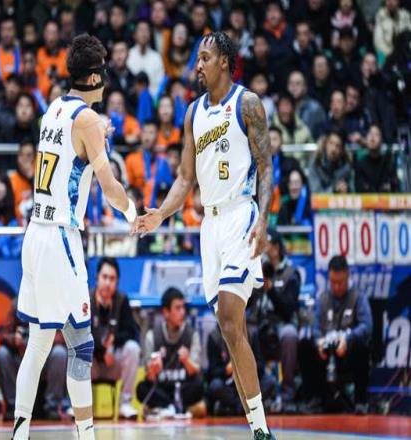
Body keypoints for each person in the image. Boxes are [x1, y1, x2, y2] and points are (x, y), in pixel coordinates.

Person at [137, 32, 276, 439]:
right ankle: (258, 427)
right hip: (209, 227)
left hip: (240, 215)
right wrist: (160, 214)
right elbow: (185, 178)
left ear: (224, 62)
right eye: (197, 58)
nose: (197, 65)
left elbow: (265, 167)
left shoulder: (247, 104)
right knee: (232, 333)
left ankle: (262, 430)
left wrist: (264, 220)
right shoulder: (193, 113)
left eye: (205, 57)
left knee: (231, 319)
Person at [13, 34, 138, 440]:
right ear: (93, 77)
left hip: (35, 233)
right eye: (103, 72)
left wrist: (99, 133)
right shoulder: (88, 121)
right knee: (81, 345)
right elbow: (110, 186)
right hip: (60, 239)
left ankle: (19, 433)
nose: (106, 80)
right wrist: (133, 212)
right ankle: (87, 435)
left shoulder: (54, 108)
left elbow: (75, 150)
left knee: (37, 345)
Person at [299, 255, 373, 414]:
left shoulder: (358, 297)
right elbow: (315, 327)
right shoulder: (323, 299)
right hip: (326, 352)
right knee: (305, 345)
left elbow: (366, 326)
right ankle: (314, 399)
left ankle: (361, 401)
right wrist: (319, 342)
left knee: (362, 347)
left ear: (348, 276)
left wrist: (348, 339)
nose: (337, 287)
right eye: (333, 282)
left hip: (347, 352)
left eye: (341, 282)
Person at [248, 231, 301, 411]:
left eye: (265, 244)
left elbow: (288, 310)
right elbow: (249, 304)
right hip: (261, 322)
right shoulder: (258, 269)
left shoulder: (291, 274)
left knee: (290, 335)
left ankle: (287, 393)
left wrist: (270, 290)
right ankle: (256, 393)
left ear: (276, 248)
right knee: (246, 333)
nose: (261, 248)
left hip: (282, 323)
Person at [136, 288, 206, 418]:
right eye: (177, 308)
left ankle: (166, 408)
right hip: (163, 388)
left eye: (183, 308)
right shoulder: (152, 336)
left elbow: (195, 370)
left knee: (199, 385)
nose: (182, 312)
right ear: (166, 312)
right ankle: (176, 408)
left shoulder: (191, 334)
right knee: (141, 388)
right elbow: (149, 377)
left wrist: (186, 361)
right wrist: (153, 369)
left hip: (183, 387)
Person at [0, 300, 67, 421]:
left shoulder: (53, 303)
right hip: (21, 356)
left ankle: (52, 407)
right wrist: (15, 339)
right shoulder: (17, 304)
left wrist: (43, 337)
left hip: (45, 357)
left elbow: (63, 336)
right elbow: (3, 335)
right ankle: (13, 407)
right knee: (2, 354)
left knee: (60, 353)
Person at [90, 257, 140, 419]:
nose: (107, 283)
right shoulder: (86, 300)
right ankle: (78, 405)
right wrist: (101, 350)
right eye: (104, 277)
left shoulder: (122, 300)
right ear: (97, 278)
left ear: (117, 281)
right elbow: (80, 333)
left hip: (113, 363)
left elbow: (132, 332)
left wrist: (114, 343)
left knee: (132, 348)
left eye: (112, 279)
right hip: (92, 364)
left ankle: (125, 403)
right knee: (76, 351)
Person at [125, 120, 173, 208]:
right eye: (145, 132)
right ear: (140, 135)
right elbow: (128, 187)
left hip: (159, 209)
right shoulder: (131, 159)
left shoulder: (163, 162)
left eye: (151, 133)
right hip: (137, 207)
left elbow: (168, 188)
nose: (147, 137)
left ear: (157, 136)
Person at [354, 124, 400, 193]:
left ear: (381, 140)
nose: (372, 138)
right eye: (370, 134)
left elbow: (394, 185)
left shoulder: (388, 163)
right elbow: (359, 187)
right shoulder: (360, 164)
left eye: (376, 134)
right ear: (366, 138)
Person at [127, 20, 165, 97]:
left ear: (150, 35)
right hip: (131, 98)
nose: (143, 33)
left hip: (152, 99)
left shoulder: (156, 57)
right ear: (135, 35)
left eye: (146, 30)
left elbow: (160, 83)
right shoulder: (128, 55)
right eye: (141, 30)